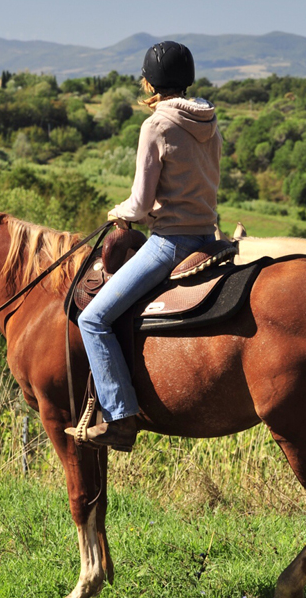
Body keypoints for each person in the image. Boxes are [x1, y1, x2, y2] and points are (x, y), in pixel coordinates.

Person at [66, 41, 222, 451]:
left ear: (151, 81)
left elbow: (138, 202)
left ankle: (120, 417)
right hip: (209, 235)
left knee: (93, 320)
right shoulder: (209, 120)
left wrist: (121, 213)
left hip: (170, 242)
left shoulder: (155, 125)